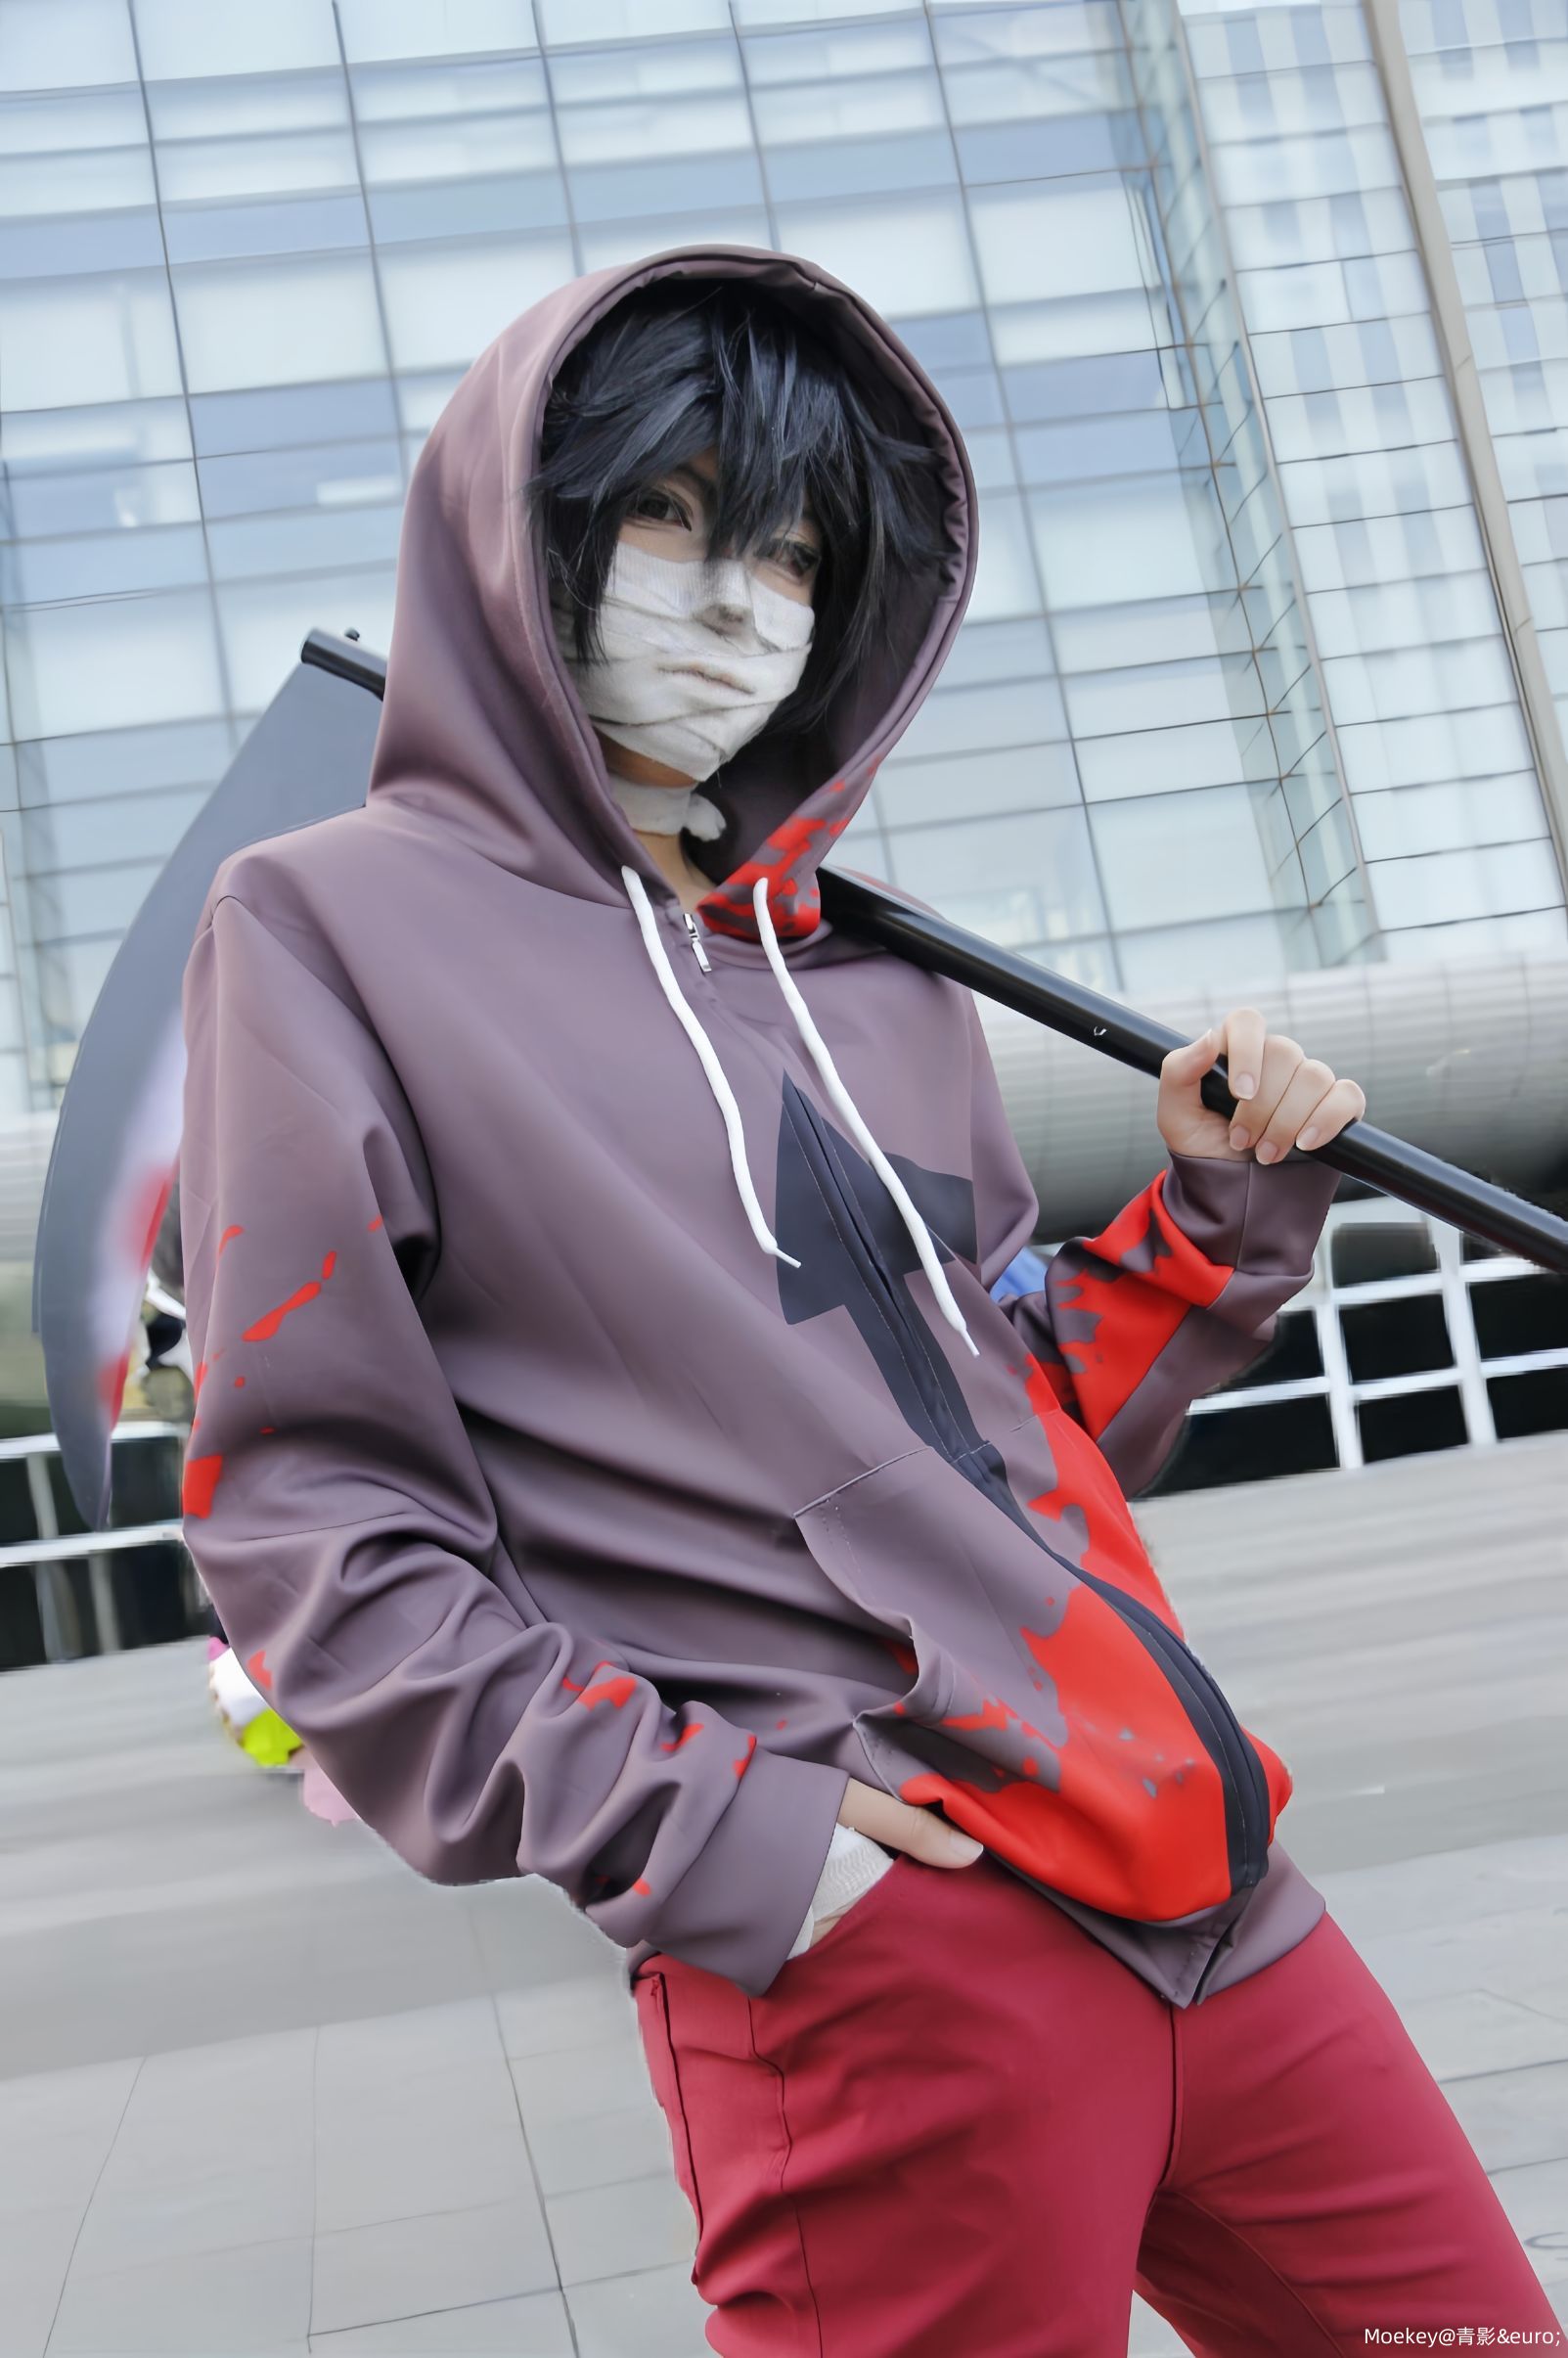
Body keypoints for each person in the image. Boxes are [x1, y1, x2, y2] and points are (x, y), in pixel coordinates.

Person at [177, 249, 1562, 2356]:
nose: (739, 603)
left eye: (797, 554)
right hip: (891, 1945)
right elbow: (317, 1523)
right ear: (526, 531)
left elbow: (1007, 1433)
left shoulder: (877, 973)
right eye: (675, 516)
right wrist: (733, 1837)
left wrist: (1212, 1219)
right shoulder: (329, 927)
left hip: (1213, 1878)